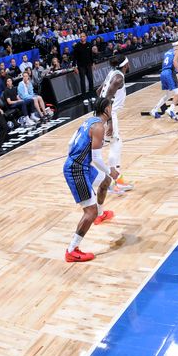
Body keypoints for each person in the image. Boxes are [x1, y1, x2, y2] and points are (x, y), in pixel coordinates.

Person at [63, 97, 118, 262]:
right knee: (90, 211)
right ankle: (72, 250)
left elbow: (70, 143)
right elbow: (96, 158)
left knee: (105, 181)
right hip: (77, 170)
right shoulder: (99, 127)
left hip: (82, 166)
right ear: (106, 110)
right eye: (111, 107)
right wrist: (111, 170)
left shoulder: (90, 120)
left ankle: (101, 215)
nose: (112, 109)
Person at [99, 55, 133, 192]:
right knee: (115, 143)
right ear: (125, 65)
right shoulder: (119, 78)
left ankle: (115, 179)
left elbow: (99, 91)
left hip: (103, 112)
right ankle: (116, 180)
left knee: (114, 143)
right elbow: (107, 98)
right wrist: (110, 121)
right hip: (108, 113)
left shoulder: (112, 73)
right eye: (128, 63)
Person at [150, 41, 178, 121]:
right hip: (169, 73)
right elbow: (175, 61)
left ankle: (154, 110)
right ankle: (170, 110)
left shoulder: (167, 52)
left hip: (163, 73)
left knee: (167, 95)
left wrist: (176, 68)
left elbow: (168, 63)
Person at [73, 33, 95, 101]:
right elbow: (74, 57)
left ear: (86, 37)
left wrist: (93, 63)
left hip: (88, 65)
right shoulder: (77, 46)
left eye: (83, 36)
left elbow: (91, 55)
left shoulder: (89, 44)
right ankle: (84, 97)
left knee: (91, 80)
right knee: (83, 81)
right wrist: (74, 67)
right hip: (81, 66)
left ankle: (91, 95)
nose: (82, 37)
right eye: (81, 36)